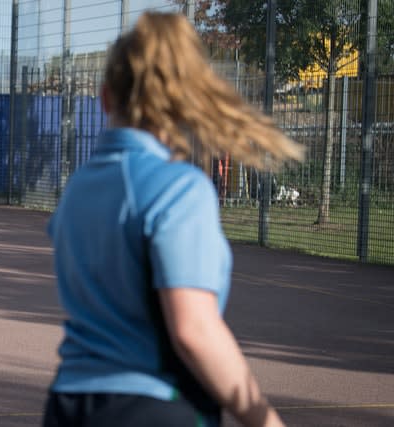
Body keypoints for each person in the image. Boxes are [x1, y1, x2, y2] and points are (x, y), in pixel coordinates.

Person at [42, 12, 303, 427]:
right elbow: (193, 330)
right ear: (185, 100)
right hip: (155, 405)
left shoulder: (77, 189)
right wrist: (265, 421)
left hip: (68, 403)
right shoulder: (178, 187)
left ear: (105, 97)